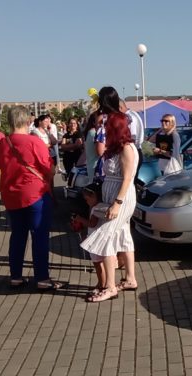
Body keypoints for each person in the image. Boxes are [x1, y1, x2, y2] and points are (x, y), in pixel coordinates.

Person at [0, 106, 62, 291]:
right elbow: (49, 168)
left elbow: (2, 166)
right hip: (35, 194)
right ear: (28, 121)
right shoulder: (34, 142)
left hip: (11, 195)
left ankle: (15, 276)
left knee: (17, 236)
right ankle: (42, 278)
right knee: (39, 236)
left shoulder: (2, 143)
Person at [80, 112, 138, 302]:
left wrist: (117, 203)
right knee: (123, 235)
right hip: (112, 195)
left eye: (108, 128)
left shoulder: (127, 149)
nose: (104, 132)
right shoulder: (116, 148)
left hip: (120, 198)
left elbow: (128, 179)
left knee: (105, 236)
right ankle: (130, 279)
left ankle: (110, 286)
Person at [71, 183, 108, 297]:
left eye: (88, 199)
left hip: (96, 240)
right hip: (100, 238)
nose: (87, 202)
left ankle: (102, 284)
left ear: (95, 196)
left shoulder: (97, 209)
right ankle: (103, 282)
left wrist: (80, 219)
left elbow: (92, 224)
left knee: (97, 263)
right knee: (102, 262)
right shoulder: (100, 206)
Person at [119, 99, 145, 171]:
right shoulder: (134, 113)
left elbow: (132, 137)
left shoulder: (128, 117)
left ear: (120, 107)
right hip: (136, 150)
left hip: (132, 152)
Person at [82, 113, 99, 182]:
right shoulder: (93, 133)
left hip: (91, 165)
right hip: (95, 167)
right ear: (94, 122)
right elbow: (99, 151)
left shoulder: (90, 132)